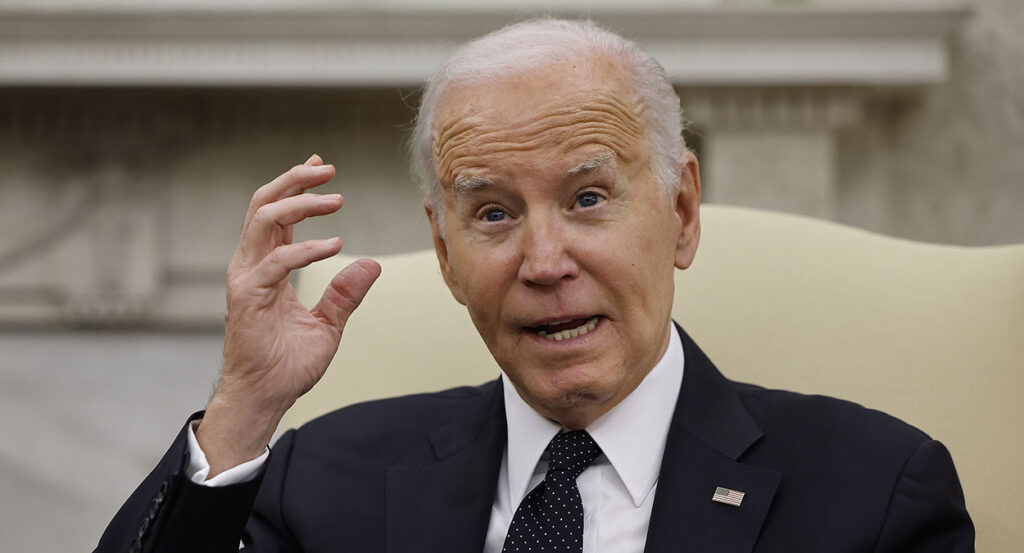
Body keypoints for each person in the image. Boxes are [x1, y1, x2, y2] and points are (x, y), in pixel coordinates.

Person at [95, 19, 974, 553]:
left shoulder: (875, 491)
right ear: (443, 254)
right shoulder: (323, 482)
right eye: (492, 214)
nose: (544, 260)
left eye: (588, 198)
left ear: (682, 212)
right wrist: (244, 406)